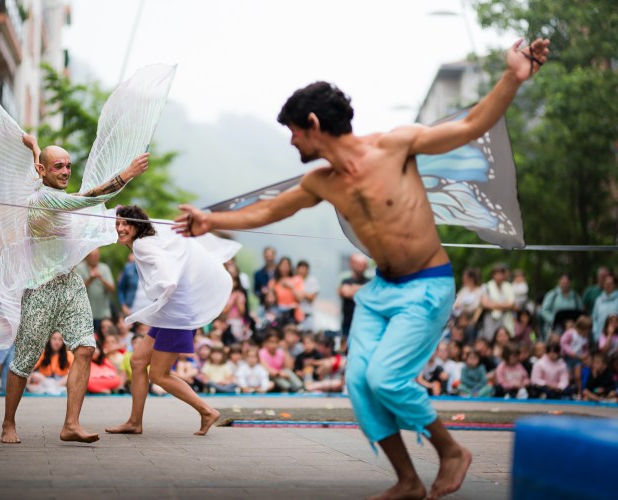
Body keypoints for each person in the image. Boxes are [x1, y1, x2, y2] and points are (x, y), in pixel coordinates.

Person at [173, 38, 551, 499]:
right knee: (359, 383)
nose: (291, 141)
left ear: (314, 124)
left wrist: (512, 75)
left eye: (293, 131)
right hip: (381, 290)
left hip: (427, 285)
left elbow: (472, 125)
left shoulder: (395, 145)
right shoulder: (321, 181)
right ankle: (408, 480)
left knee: (386, 379)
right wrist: (211, 221)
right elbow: (269, 210)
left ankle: (450, 451)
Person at [0, 135, 150, 444]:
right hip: (40, 289)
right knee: (24, 361)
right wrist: (127, 174)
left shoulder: (47, 183)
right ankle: (8, 424)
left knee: (86, 348)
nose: (66, 171)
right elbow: (89, 198)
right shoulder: (43, 199)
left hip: (70, 283)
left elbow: (40, 164)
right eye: (59, 167)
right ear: (43, 171)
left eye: (68, 166)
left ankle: (71, 424)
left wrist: (34, 145)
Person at [105, 205, 239, 436]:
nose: (120, 228)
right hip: (171, 312)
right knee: (137, 362)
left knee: (159, 375)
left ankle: (207, 411)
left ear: (137, 225)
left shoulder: (142, 245)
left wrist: (166, 282)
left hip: (176, 316)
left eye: (125, 223)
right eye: (117, 223)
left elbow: (164, 268)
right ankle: (134, 422)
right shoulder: (151, 237)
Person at [76, 249, 116, 334]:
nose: (95, 258)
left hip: (104, 312)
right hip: (86, 314)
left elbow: (112, 289)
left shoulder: (104, 268)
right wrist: (90, 279)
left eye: (97, 255)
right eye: (92, 256)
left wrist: (101, 278)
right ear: (87, 257)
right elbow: (77, 290)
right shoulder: (80, 268)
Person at [480, 263, 516, 342]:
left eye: (501, 274)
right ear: (493, 275)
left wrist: (494, 304)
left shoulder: (508, 286)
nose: (499, 277)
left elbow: (512, 304)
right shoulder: (487, 286)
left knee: (505, 339)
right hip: (491, 318)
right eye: (497, 274)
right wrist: (504, 305)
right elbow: (485, 304)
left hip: (505, 318)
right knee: (489, 339)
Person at [338, 253, 369, 341]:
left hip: (365, 322)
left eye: (363, 265)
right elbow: (345, 292)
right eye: (358, 264)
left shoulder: (370, 281)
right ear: (352, 264)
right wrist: (364, 289)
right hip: (348, 322)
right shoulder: (345, 280)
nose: (360, 267)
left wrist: (353, 289)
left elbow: (371, 295)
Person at [592, 273, 618, 344]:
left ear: (615, 285)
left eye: (610, 284)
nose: (608, 286)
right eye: (606, 283)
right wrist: (595, 333)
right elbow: (594, 318)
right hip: (600, 338)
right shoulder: (598, 300)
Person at [296, 260, 320, 331]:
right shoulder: (294, 279)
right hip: (295, 314)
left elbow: (312, 298)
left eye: (304, 269)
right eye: (300, 269)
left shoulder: (312, 280)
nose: (302, 271)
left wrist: (302, 293)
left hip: (307, 313)